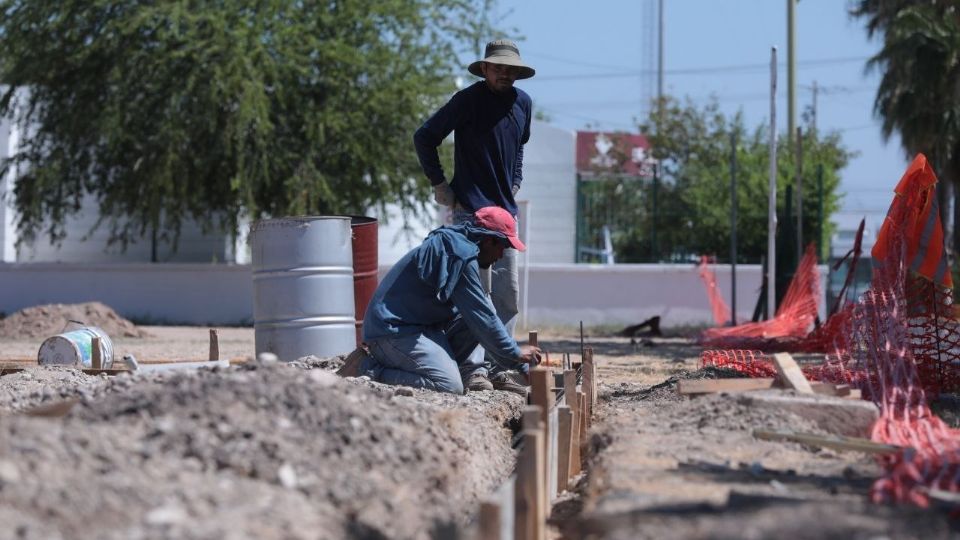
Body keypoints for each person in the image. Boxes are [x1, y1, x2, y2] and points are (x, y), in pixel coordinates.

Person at [413, 38, 534, 389]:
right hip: (470, 212)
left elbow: (520, 148)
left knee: (506, 293)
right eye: (498, 68)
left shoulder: (523, 103)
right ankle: (472, 368)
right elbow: (425, 137)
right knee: (473, 295)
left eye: (511, 69)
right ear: (484, 69)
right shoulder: (467, 100)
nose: (505, 74)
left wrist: (515, 179)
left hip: (505, 216)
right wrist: (440, 184)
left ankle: (504, 366)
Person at [358, 206, 542, 394]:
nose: (501, 256)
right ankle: (368, 369)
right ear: (488, 241)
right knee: (449, 386)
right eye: (502, 247)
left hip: (422, 328)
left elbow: (482, 318)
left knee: (482, 309)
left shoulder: (460, 245)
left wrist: (520, 364)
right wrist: (516, 353)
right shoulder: (460, 255)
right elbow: (483, 319)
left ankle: (456, 370)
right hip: (392, 332)